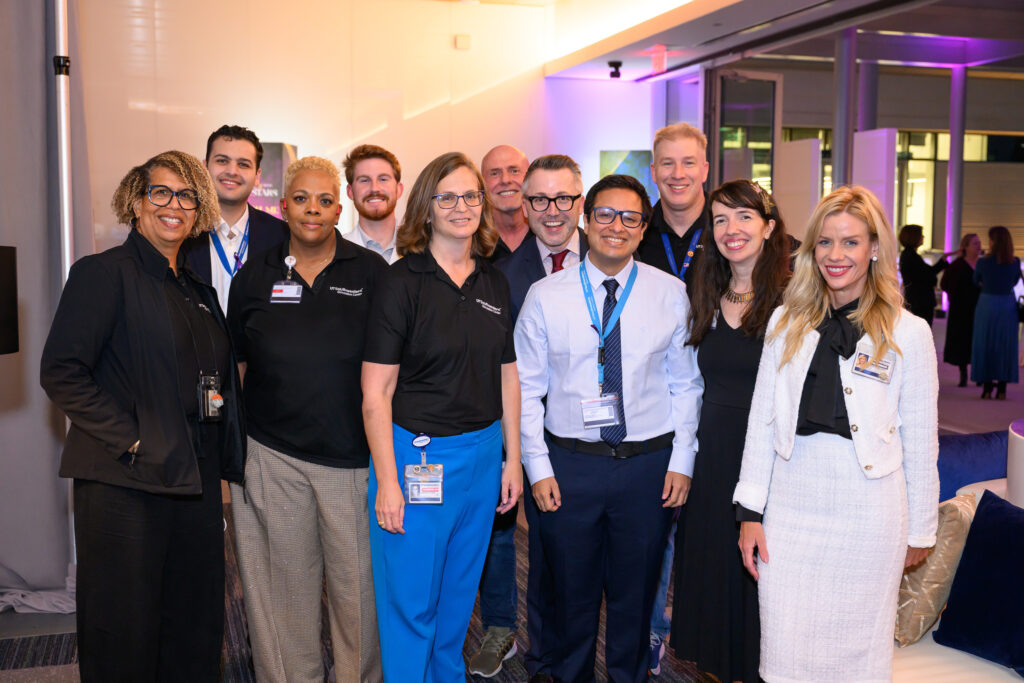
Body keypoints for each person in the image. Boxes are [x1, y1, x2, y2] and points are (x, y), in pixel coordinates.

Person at [40, 151, 245, 682]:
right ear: (136, 201)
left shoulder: (195, 288)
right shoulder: (103, 273)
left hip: (194, 478)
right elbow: (62, 371)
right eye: (161, 193)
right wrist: (133, 442)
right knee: (124, 626)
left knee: (195, 619)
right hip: (125, 483)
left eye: (186, 196)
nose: (174, 206)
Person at [734, 185, 939, 682]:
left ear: (874, 248)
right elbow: (761, 420)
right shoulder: (785, 320)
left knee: (859, 657)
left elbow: (921, 439)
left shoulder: (908, 332)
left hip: (869, 514)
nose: (836, 255)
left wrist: (922, 529)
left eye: (850, 242)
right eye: (824, 242)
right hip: (792, 505)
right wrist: (749, 512)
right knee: (784, 650)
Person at [515, 174, 702, 683]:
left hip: (647, 469)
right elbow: (527, 391)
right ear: (584, 218)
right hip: (569, 468)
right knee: (570, 601)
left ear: (644, 229)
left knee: (634, 602)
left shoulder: (671, 294)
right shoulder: (545, 296)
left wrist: (682, 462)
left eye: (630, 218)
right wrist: (538, 468)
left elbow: (686, 385)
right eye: (605, 214)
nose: (616, 226)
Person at [361, 151, 523, 683]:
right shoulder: (401, 282)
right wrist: (387, 481)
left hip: (481, 458)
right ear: (426, 208)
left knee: (457, 602)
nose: (461, 207)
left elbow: (508, 377)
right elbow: (376, 394)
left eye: (470, 196)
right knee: (412, 606)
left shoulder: (494, 283)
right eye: (447, 196)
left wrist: (512, 461)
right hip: (415, 461)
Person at [226, 156, 386, 682]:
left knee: (358, 597)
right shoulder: (254, 276)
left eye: (323, 200)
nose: (312, 210)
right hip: (273, 457)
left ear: (339, 208)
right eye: (301, 198)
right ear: (283, 205)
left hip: (353, 460)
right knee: (284, 591)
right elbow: (239, 364)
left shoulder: (373, 274)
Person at [471, 154, 589, 682]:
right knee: (538, 556)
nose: (552, 210)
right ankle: (539, 656)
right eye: (540, 200)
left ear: (579, 201)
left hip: (606, 438)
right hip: (529, 432)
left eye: (563, 199)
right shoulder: (501, 276)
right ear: (527, 203)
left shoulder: (615, 252)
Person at [670, 180, 789, 683]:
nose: (731, 229)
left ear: (768, 227)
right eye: (719, 219)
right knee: (715, 577)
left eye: (743, 217)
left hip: (772, 459)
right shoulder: (705, 292)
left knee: (764, 582)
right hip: (714, 454)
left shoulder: (794, 300)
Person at [180, 124, 289, 313]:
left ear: (257, 176)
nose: (232, 171)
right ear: (205, 168)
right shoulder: (182, 232)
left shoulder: (282, 236)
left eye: (243, 164)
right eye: (222, 161)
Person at [636, 122, 710, 290]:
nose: (678, 174)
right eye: (668, 163)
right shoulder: (637, 232)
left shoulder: (726, 229)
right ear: (654, 172)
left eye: (688, 163)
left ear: (704, 171)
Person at [971, 225, 1022, 399]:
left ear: (994, 242)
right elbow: (1015, 282)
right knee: (1005, 345)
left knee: (985, 343)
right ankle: (1002, 388)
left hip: (987, 303)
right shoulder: (1015, 262)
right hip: (1007, 304)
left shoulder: (983, 261)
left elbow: (976, 280)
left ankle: (986, 388)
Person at [343, 144, 404, 264]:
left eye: (383, 179)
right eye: (364, 180)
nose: (375, 188)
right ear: (350, 192)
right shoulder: (335, 253)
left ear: (399, 190)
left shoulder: (425, 248)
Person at [940, 233, 982, 387]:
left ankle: (979, 374)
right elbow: (945, 284)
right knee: (962, 340)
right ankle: (963, 373)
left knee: (978, 340)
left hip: (979, 307)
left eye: (979, 243)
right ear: (966, 247)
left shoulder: (982, 264)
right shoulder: (957, 265)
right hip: (961, 308)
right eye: (975, 243)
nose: (979, 246)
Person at [481, 144, 530, 261]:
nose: (505, 180)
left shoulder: (547, 235)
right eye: (494, 173)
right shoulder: (471, 242)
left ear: (530, 178)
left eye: (514, 171)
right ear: (482, 183)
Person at [898, 223, 953, 326]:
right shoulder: (912, 257)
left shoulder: (909, 255)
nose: (923, 237)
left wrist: (942, 261)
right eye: (921, 235)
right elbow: (928, 276)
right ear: (914, 237)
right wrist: (942, 263)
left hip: (916, 300)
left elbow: (927, 272)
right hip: (919, 301)